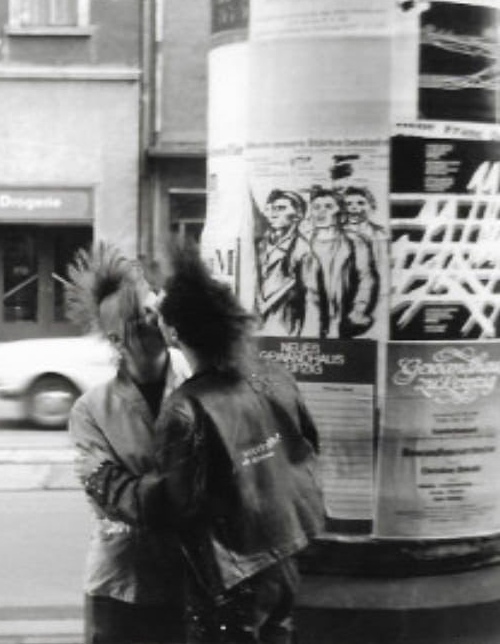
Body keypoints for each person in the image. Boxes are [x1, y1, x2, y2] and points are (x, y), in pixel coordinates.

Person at [82, 243, 325, 644]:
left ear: (174, 332)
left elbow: (174, 505)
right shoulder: (274, 376)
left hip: (233, 575)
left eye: (159, 314)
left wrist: (108, 483)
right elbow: (307, 447)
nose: (153, 318)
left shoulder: (187, 407)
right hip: (285, 555)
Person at [65, 243, 190, 644]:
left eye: (155, 307)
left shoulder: (200, 381)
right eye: (141, 316)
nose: (155, 319)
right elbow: (115, 500)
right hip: (122, 586)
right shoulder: (91, 411)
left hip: (195, 581)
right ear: (116, 340)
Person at [302, 187, 379, 339]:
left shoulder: (355, 241)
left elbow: (366, 278)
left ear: (341, 213)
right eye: (316, 207)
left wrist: (359, 309)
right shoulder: (303, 241)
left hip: (342, 316)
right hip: (309, 317)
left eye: (328, 206)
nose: (321, 212)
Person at [254, 190, 320, 336]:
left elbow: (311, 297)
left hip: (284, 326)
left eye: (281, 208)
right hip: (255, 326)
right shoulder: (259, 244)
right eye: (272, 209)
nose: (273, 214)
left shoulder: (303, 250)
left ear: (298, 215)